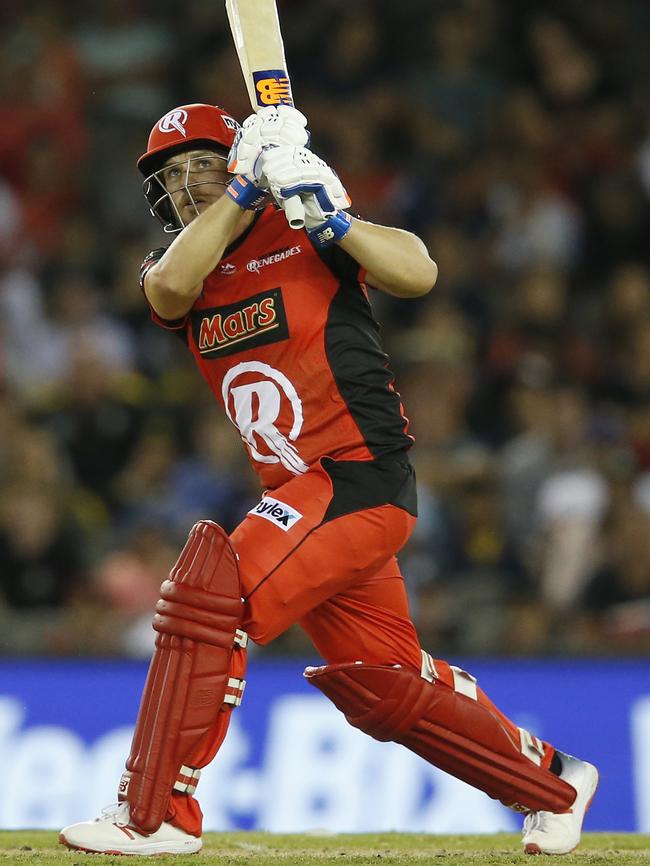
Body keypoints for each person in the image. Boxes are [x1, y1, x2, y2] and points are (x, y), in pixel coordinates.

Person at [60, 102, 597, 856]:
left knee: (215, 592)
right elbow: (170, 290)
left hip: (357, 476)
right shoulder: (173, 264)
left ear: (236, 157)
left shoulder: (305, 230)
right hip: (307, 501)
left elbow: (419, 272)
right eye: (169, 178)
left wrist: (334, 219)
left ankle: (153, 818)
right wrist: (244, 192)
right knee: (381, 686)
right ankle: (554, 782)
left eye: (198, 166)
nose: (184, 187)